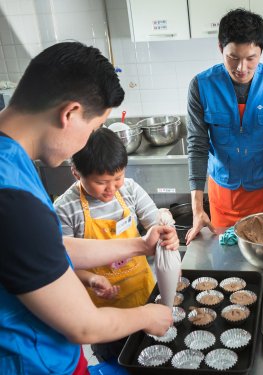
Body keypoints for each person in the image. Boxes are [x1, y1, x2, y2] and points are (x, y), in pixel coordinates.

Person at [0, 42, 177, 374]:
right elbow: (84, 326)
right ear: (70, 113)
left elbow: (50, 248)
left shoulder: (13, 163)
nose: (88, 141)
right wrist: (147, 316)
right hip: (28, 362)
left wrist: (141, 244)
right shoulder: (12, 198)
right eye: (93, 129)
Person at [54, 127, 166, 362]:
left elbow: (155, 221)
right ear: (76, 173)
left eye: (118, 178)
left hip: (143, 297)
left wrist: (165, 228)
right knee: (116, 362)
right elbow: (62, 263)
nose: (112, 189)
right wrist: (91, 279)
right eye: (101, 182)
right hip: (103, 313)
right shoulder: (66, 208)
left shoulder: (130, 190)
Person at [185, 8, 263, 243]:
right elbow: (197, 147)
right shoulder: (201, 86)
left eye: (251, 58)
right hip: (224, 197)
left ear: (261, 51)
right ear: (220, 48)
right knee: (227, 260)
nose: (241, 68)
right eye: (233, 57)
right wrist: (197, 210)